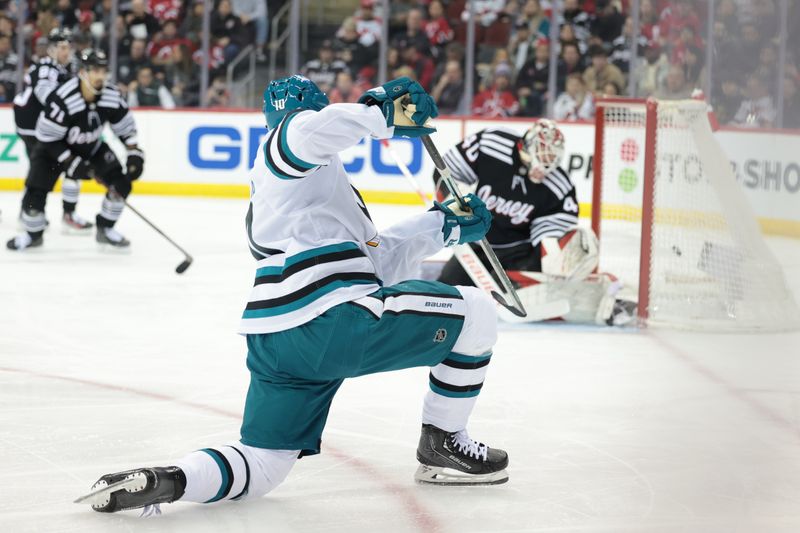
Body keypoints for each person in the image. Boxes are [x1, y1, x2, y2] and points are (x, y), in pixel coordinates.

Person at [77, 75, 509, 514]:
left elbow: (371, 266)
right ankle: (442, 445)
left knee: (264, 464)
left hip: (277, 341)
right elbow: (308, 131)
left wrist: (441, 225)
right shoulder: (284, 148)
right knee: (475, 310)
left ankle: (169, 480)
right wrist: (379, 113)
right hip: (329, 319)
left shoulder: (305, 188)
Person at [433, 120, 635, 326]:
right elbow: (446, 171)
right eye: (544, 155)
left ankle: (602, 293)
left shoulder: (558, 187)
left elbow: (550, 236)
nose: (546, 165)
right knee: (447, 292)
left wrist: (556, 261)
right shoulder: (491, 144)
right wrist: (455, 201)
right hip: (476, 244)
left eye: (552, 158)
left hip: (519, 254)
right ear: (527, 146)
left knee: (517, 291)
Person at [7, 49, 144, 251]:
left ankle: (105, 229)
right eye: (95, 70)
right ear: (82, 72)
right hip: (51, 152)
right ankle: (32, 235)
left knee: (121, 184)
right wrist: (70, 161)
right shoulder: (63, 97)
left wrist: (134, 153)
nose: (100, 76)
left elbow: (125, 128)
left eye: (103, 71)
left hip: (91, 147)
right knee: (33, 198)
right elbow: (46, 138)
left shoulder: (112, 96)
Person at [12, 28, 94, 232]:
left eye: (69, 47)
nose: (67, 51)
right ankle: (29, 212)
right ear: (51, 50)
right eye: (63, 47)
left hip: (50, 127)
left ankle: (65, 213)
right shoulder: (46, 67)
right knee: (40, 171)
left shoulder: (67, 69)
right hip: (32, 127)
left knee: (70, 165)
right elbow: (46, 97)